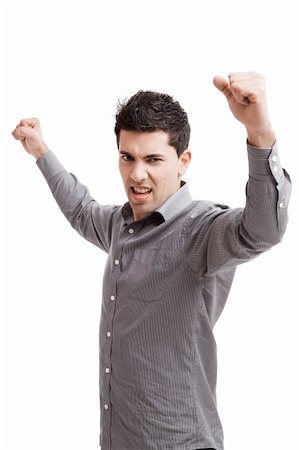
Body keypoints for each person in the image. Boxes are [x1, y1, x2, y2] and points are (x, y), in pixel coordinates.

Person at [12, 72, 291, 450]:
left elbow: (262, 231)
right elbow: (81, 209)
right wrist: (41, 151)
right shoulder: (119, 224)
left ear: (183, 161)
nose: (136, 174)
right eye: (127, 157)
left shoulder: (203, 230)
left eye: (153, 159)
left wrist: (259, 133)